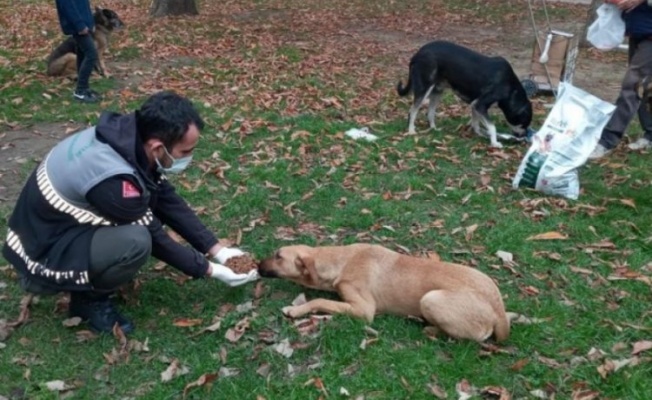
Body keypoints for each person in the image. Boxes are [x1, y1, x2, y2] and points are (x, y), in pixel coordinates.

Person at [2, 91, 259, 334]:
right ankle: (89, 301)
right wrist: (210, 270)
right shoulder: (112, 180)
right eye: (185, 152)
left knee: (137, 228)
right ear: (158, 146)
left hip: (48, 232)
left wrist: (217, 249)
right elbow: (155, 235)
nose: (189, 157)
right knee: (135, 242)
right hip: (43, 255)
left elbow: (163, 197)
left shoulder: (128, 137)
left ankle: (90, 277)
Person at [589, 0, 652, 159]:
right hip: (639, 28)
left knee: (632, 85)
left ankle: (607, 140)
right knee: (644, 86)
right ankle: (651, 134)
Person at [54, 0, 101, 103]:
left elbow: (84, 4)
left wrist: (90, 22)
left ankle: (84, 88)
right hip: (77, 26)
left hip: (84, 24)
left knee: (82, 53)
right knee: (91, 54)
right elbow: (67, 6)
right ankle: (80, 91)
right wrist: (79, 25)